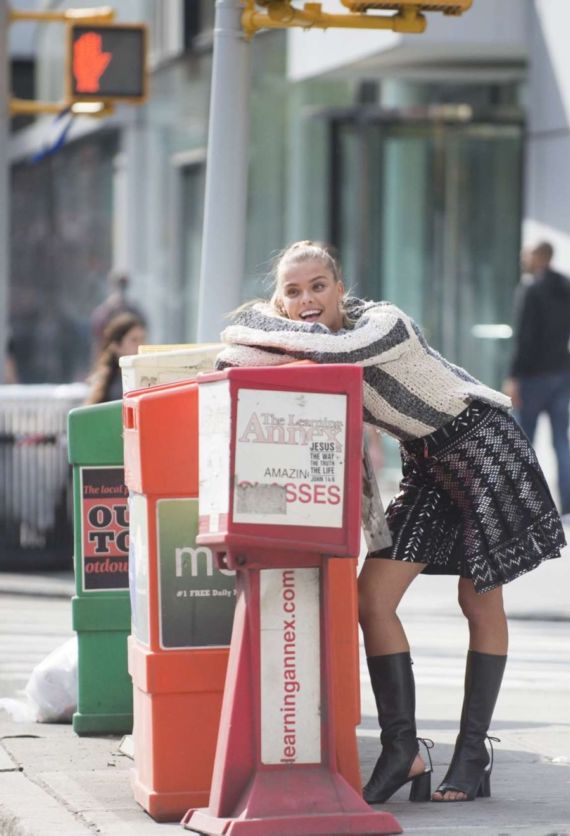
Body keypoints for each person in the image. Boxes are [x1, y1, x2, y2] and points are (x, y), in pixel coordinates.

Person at [216, 240, 566, 804]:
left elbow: (331, 353)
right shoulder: (304, 338)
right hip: (429, 465)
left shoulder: (384, 323)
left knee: (478, 601)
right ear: (281, 302)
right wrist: (259, 328)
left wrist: (259, 328)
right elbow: (231, 358)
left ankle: (473, 753)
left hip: (483, 446)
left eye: (318, 286)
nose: (308, 299)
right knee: (370, 600)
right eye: (293, 291)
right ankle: (403, 751)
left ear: (340, 288)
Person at [504, 241, 570, 519]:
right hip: (560, 374)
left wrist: (513, 377)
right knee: (561, 442)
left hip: (532, 378)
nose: (523, 257)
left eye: (528, 252)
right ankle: (568, 505)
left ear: (540, 256)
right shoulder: (565, 286)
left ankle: (522, 507)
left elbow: (524, 339)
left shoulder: (530, 289)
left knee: (522, 444)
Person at [85, 312, 146, 405]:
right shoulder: (107, 385)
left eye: (143, 339)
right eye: (134, 340)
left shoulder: (148, 378)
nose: (141, 345)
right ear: (117, 346)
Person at [90, 270, 146, 357]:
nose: (121, 288)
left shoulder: (134, 309)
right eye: (119, 284)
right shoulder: (104, 311)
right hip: (107, 355)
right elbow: (98, 337)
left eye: (123, 284)